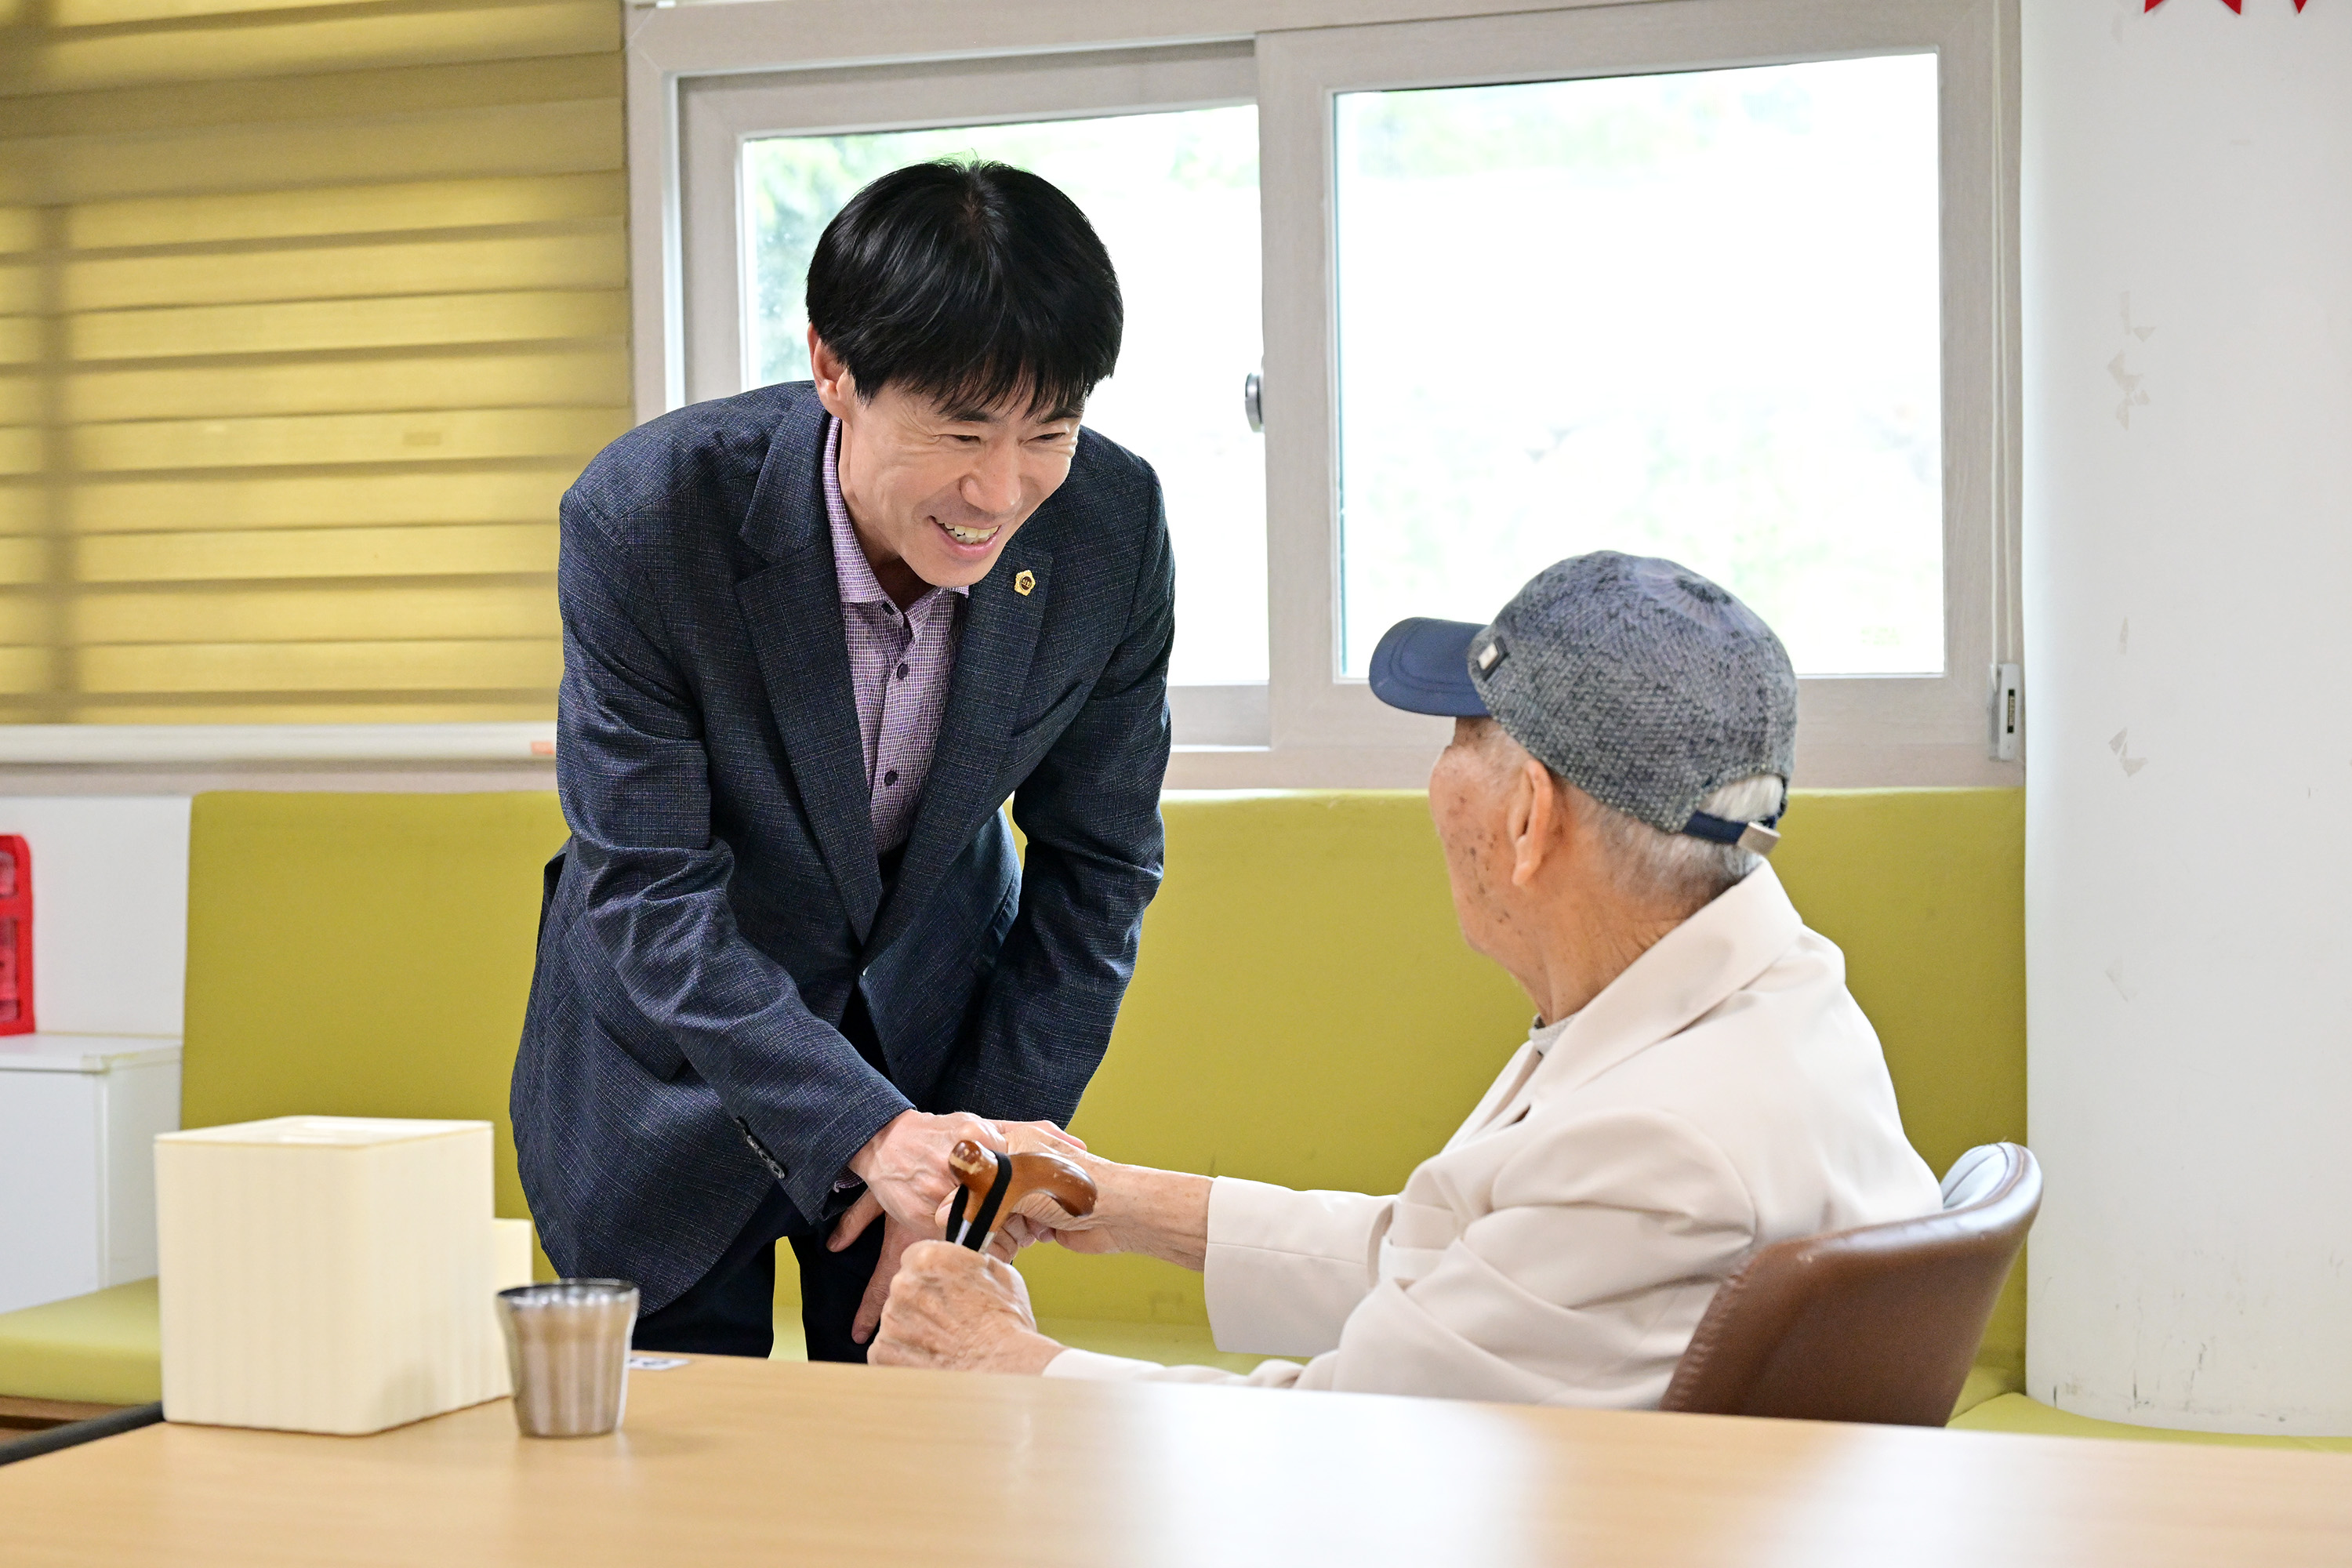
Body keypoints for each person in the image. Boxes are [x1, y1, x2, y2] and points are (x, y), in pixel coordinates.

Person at [869, 552, 1942, 1404]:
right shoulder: (1775, 1004)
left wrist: (1002, 1361)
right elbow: (1460, 1278)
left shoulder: (1662, 1149)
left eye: (1460, 736)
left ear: (1529, 820)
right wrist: (1117, 1202)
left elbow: (1354, 1455)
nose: (1437, 779)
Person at [512, 160, 1173, 1363]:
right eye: (960, 431)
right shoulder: (649, 519)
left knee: (914, 1492)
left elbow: (1100, 871)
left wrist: (969, 1176)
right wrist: (864, 1130)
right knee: (664, 1495)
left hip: (930, 1055)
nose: (1001, 490)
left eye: (1049, 434)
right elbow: (648, 886)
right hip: (667, 1080)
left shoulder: (1111, 529)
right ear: (833, 370)